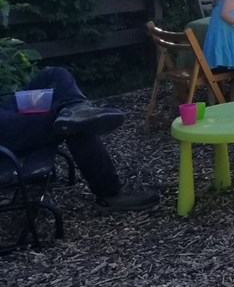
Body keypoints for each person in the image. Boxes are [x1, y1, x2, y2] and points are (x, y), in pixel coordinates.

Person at [0, 67, 158, 212]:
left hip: (6, 111)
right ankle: (110, 194)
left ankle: (76, 107)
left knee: (55, 74)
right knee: (75, 125)